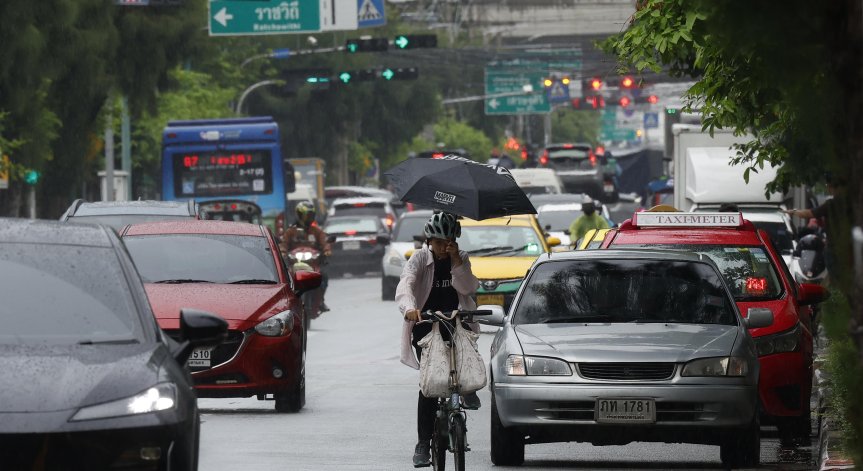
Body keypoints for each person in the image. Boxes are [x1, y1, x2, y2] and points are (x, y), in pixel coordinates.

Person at [395, 211, 481, 468]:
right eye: (438, 242)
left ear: (455, 240)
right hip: (426, 326)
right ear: (429, 240)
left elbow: (468, 288)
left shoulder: (461, 258)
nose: (442, 247)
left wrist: (456, 260)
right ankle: (423, 444)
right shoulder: (420, 259)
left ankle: (467, 389)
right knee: (431, 385)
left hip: (456, 322)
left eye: (448, 242)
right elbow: (405, 285)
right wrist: (409, 307)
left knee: (463, 365)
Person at [280, 200, 332, 312]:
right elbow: (283, 244)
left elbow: (324, 242)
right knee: (285, 280)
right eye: (307, 215)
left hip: (313, 264)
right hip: (295, 264)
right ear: (299, 215)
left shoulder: (317, 231)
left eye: (311, 215)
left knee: (324, 277)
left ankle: (321, 301)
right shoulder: (290, 231)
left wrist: (327, 250)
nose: (309, 217)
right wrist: (283, 252)